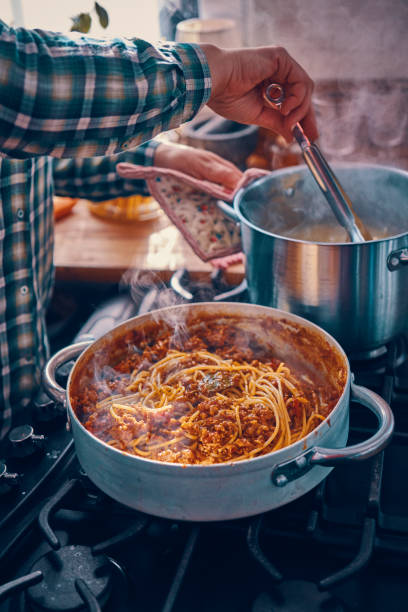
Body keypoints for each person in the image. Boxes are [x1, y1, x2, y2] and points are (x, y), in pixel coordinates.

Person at [0, 18, 317, 437]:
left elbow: (28, 152)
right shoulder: (20, 85)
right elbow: (23, 89)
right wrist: (211, 72)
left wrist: (159, 160)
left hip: (26, 404)